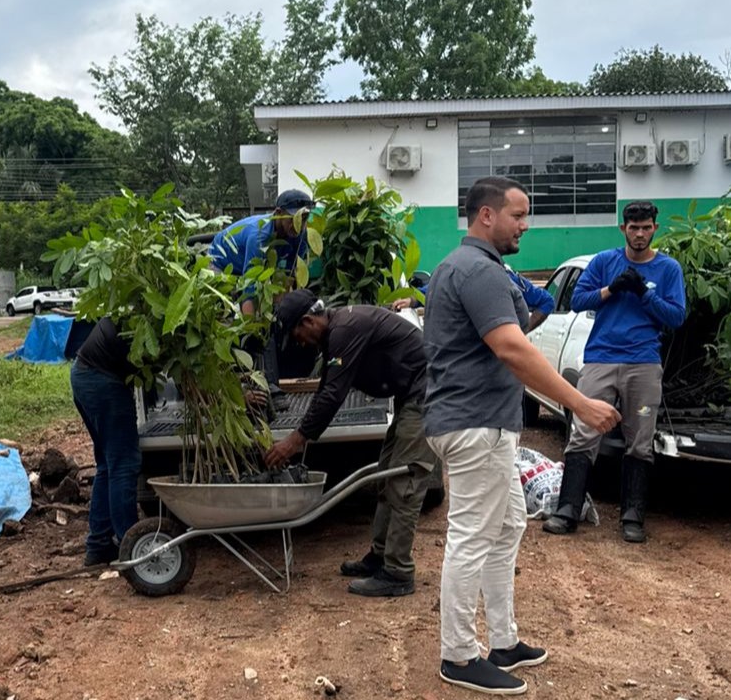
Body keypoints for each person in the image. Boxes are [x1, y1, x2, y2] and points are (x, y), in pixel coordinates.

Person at [423, 176, 621, 696]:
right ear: (487, 216)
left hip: (484, 422)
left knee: (508, 523)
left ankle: (504, 641)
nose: (525, 225)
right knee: (471, 536)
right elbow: (512, 348)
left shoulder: (471, 267)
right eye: (518, 215)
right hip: (474, 424)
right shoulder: (476, 271)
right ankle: (459, 655)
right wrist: (578, 404)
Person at [263, 290, 437, 598]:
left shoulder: (344, 329)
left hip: (426, 394)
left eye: (298, 334)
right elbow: (327, 388)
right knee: (386, 476)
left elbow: (333, 395)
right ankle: (380, 556)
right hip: (411, 395)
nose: (300, 341)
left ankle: (398, 572)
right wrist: (302, 437)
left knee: (404, 482)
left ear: (308, 320)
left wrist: (295, 441)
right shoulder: (337, 332)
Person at [542, 201, 685, 543]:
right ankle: (567, 510)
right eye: (633, 227)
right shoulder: (605, 262)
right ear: (623, 229)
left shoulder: (668, 269)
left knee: (640, 439)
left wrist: (644, 295)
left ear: (654, 228)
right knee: (583, 433)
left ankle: (633, 517)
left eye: (645, 227)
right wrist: (612, 288)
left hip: (644, 364)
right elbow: (578, 300)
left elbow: (677, 317)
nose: (639, 234)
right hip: (601, 360)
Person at [210, 188, 316, 406]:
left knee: (271, 318)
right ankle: (237, 387)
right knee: (233, 323)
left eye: (305, 218)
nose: (300, 224)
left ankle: (271, 382)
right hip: (221, 265)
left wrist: (283, 316)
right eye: (295, 218)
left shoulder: (300, 235)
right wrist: (252, 330)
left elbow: (289, 278)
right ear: (278, 213)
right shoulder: (259, 236)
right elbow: (250, 287)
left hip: (253, 271)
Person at [70, 317, 141, 565]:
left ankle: (99, 545)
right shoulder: (154, 315)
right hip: (102, 381)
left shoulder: (136, 305)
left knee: (108, 464)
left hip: (83, 373)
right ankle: (132, 547)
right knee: (124, 464)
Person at [394, 267, 555, 333]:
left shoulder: (507, 276)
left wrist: (522, 332)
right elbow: (434, 290)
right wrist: (411, 300)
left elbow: (547, 301)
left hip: (503, 367)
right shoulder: (461, 272)